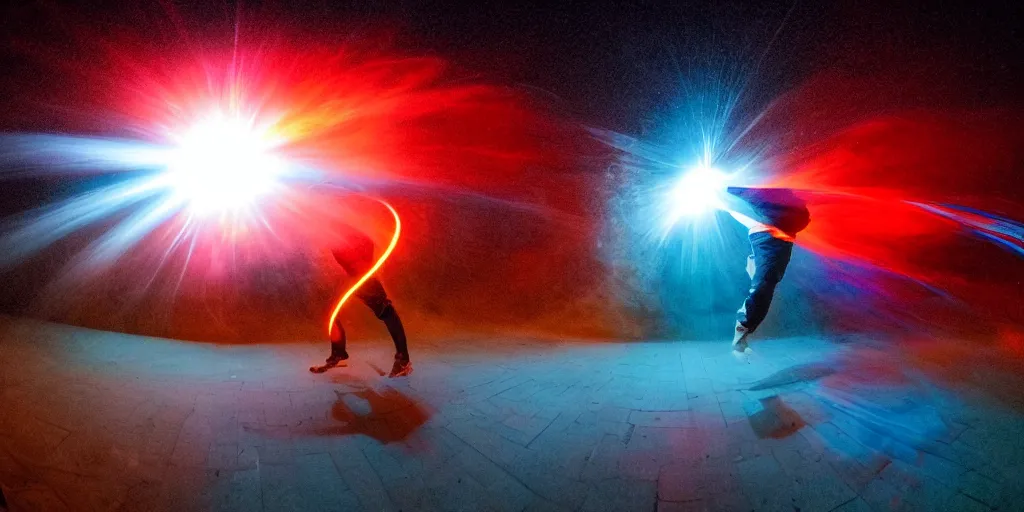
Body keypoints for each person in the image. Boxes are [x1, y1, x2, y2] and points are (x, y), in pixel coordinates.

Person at [310, 224, 412, 377]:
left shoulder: (350, 232)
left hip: (365, 280)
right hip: (353, 280)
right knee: (331, 312)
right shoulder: (334, 237)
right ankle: (338, 353)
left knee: (386, 312)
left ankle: (403, 361)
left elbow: (367, 243)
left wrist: (364, 269)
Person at [722, 187, 810, 353]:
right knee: (764, 284)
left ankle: (743, 329)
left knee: (765, 283)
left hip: (779, 227)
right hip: (772, 229)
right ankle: (742, 330)